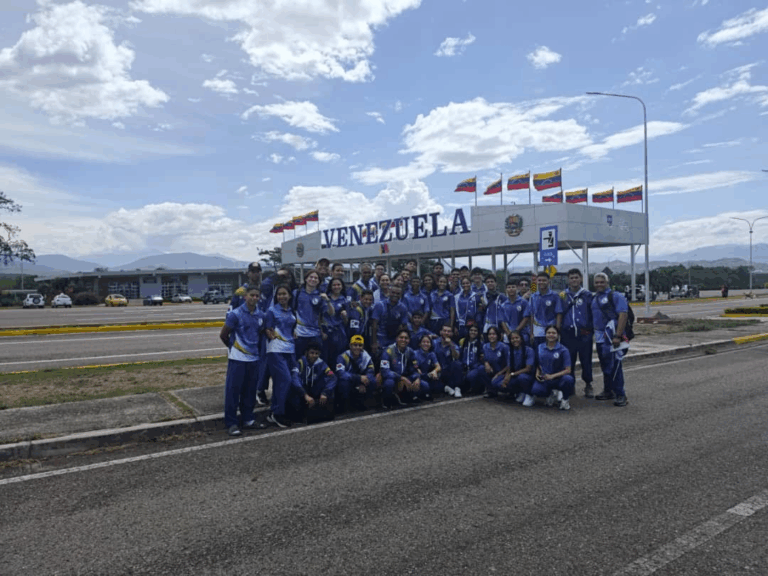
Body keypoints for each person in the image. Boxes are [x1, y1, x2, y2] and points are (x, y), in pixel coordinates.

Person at [219, 285, 266, 436]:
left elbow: (260, 334)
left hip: (253, 359)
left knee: (250, 391)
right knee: (233, 391)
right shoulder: (235, 314)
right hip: (237, 359)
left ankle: (248, 419)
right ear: (245, 296)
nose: (254, 298)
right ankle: (231, 423)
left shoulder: (260, 315)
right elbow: (223, 335)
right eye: (252, 295)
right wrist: (233, 349)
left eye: (257, 296)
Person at [265, 285, 303, 428]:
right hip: (276, 350)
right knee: (285, 379)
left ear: (290, 296)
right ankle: (278, 413)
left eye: (284, 294)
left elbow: (292, 327)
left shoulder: (291, 311)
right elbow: (267, 329)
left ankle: (275, 412)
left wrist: (293, 332)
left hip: (290, 349)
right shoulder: (272, 311)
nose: (282, 297)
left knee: (286, 380)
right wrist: (270, 334)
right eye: (279, 294)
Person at [592, 272, 630, 407]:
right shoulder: (595, 298)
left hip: (612, 336)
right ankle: (608, 390)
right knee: (605, 365)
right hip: (600, 337)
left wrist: (617, 336)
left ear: (607, 283)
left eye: (602, 282)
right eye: (597, 282)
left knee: (615, 366)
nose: (599, 284)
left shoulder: (615, 296)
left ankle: (620, 394)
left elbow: (623, 315)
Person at [560, 268, 595, 398]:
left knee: (586, 360)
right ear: (568, 280)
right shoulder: (562, 295)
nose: (574, 280)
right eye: (571, 278)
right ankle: (571, 385)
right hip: (568, 334)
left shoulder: (587, 295)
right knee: (569, 361)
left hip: (584, 333)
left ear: (581, 279)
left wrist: (591, 329)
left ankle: (588, 384)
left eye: (576, 277)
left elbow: (593, 313)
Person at [291, 341, 337, 423]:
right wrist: (305, 395)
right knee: (293, 390)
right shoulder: (300, 363)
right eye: (312, 353)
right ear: (307, 353)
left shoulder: (321, 363)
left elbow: (332, 377)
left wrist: (325, 393)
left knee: (330, 389)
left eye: (316, 353)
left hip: (314, 389)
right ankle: (298, 416)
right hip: (303, 390)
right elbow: (294, 378)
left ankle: (325, 412)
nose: (314, 356)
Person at [532, 325, 575, 411]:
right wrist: (537, 373)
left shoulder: (563, 350)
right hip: (546, 378)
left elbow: (568, 370)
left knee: (569, 379)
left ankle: (565, 399)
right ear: (545, 334)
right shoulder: (540, 347)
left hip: (559, 378)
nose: (551, 335)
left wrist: (552, 376)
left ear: (558, 335)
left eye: (553, 333)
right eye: (549, 333)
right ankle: (551, 394)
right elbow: (538, 364)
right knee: (535, 390)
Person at [293, 269, 333, 359]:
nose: (313, 279)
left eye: (316, 278)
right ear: (306, 279)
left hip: (315, 334)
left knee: (316, 360)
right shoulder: (297, 293)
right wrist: (292, 329)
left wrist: (328, 300)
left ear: (319, 281)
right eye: (311, 277)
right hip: (299, 334)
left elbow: (331, 313)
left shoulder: (320, 295)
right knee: (299, 360)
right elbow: (290, 311)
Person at [379, 329, 423, 407]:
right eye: (401, 337)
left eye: (406, 338)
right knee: (389, 383)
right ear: (396, 338)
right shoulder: (388, 351)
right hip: (392, 378)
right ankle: (386, 401)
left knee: (424, 385)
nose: (403, 340)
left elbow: (414, 369)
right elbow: (384, 371)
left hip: (405, 377)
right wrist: (400, 378)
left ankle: (406, 397)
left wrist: (417, 378)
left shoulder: (410, 352)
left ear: (409, 340)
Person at [335, 335, 376, 412]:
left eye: (360, 345)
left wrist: (363, 382)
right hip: (350, 381)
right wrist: (358, 378)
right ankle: (344, 407)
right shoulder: (342, 357)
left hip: (361, 382)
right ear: (350, 346)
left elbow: (371, 371)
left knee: (373, 380)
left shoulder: (366, 357)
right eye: (355, 345)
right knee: (343, 383)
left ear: (363, 346)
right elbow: (341, 373)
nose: (357, 347)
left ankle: (366, 404)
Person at [528, 272, 563, 355]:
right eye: (539, 280)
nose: (541, 282)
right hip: (537, 330)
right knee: (538, 354)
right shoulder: (533, 297)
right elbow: (531, 315)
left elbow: (559, 314)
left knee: (551, 353)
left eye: (544, 280)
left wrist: (557, 331)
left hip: (551, 330)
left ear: (548, 281)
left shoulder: (555, 296)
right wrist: (531, 333)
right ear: (536, 282)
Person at [370, 284, 409, 359]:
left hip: (394, 340)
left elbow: (403, 325)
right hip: (380, 339)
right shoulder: (379, 305)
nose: (395, 295)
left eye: (398, 293)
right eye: (393, 292)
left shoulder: (403, 308)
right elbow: (374, 325)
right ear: (389, 292)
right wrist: (374, 343)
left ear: (401, 294)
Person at [323, 278, 349, 370]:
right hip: (326, 332)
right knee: (325, 357)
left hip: (339, 333)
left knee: (338, 358)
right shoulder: (325, 298)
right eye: (334, 285)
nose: (336, 287)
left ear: (342, 286)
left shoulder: (345, 300)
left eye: (338, 285)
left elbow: (346, 322)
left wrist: (344, 316)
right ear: (330, 286)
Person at [433, 324, 463, 397]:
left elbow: (456, 357)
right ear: (440, 332)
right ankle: (446, 388)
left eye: (449, 331)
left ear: (452, 333)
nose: (446, 333)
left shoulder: (454, 345)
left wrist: (451, 345)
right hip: (436, 370)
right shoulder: (434, 343)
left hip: (448, 371)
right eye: (445, 331)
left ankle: (457, 388)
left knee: (457, 364)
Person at [480, 326, 510, 398]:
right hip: (492, 370)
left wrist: (499, 374)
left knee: (496, 383)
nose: (491, 336)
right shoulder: (485, 346)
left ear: (498, 335)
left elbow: (509, 364)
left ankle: (508, 391)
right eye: (490, 334)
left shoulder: (504, 347)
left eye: (494, 334)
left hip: (503, 372)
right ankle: (491, 391)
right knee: (481, 369)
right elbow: (483, 358)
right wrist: (486, 363)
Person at [508, 331, 535, 407]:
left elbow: (528, 369)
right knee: (498, 383)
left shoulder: (529, 350)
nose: (515, 340)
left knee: (522, 377)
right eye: (512, 338)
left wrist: (512, 374)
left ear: (521, 339)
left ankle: (529, 394)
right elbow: (508, 367)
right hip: (516, 375)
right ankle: (521, 392)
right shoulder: (510, 351)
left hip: (528, 376)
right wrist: (506, 377)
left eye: (517, 338)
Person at [501, 280, 530, 346]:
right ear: (506, 290)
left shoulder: (523, 302)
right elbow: (503, 321)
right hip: (509, 335)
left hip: (522, 334)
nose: (511, 289)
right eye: (509, 287)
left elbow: (526, 318)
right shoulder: (503, 305)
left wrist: (516, 331)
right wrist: (509, 333)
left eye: (513, 287)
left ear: (517, 288)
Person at [459, 324, 485, 396]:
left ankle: (478, 387)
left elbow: (482, 358)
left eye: (475, 331)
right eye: (471, 330)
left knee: (471, 375)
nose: (473, 332)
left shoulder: (481, 343)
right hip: (464, 367)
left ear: (478, 332)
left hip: (474, 368)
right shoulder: (463, 342)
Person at [413, 334, 440, 400]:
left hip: (426, 375)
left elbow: (438, 366)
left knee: (438, 384)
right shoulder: (415, 353)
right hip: (416, 376)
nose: (426, 344)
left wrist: (435, 371)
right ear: (420, 344)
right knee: (425, 386)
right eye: (423, 342)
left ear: (431, 344)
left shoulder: (432, 354)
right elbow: (414, 366)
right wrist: (417, 369)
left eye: (428, 342)